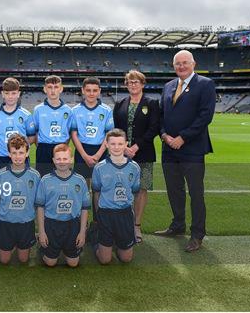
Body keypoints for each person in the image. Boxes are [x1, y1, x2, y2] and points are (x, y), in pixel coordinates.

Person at [155, 50, 216, 253]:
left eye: (185, 63)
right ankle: (177, 225)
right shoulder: (168, 86)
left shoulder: (205, 84)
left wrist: (183, 137)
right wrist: (164, 135)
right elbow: (161, 116)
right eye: (177, 63)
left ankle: (197, 234)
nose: (181, 66)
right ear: (173, 66)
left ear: (193, 64)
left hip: (192, 148)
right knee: (174, 190)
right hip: (169, 148)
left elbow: (205, 116)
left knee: (196, 193)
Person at [113, 70, 160, 243]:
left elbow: (154, 127)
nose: (133, 84)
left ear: (142, 83)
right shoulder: (120, 104)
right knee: (122, 188)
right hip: (122, 154)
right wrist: (124, 147)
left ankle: (136, 226)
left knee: (142, 188)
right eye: (130, 82)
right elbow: (116, 129)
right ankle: (122, 225)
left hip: (145, 153)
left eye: (136, 82)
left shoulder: (152, 103)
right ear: (126, 85)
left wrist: (136, 146)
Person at [35, 143, 90, 267]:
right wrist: (41, 232)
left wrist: (82, 232)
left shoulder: (80, 180)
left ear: (71, 159)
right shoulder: (45, 180)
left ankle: (67, 249)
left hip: (72, 224)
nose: (62, 162)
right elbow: (40, 207)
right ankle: (45, 249)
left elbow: (85, 208)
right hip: (52, 224)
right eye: (58, 159)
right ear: (53, 160)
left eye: (65, 158)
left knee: (73, 263)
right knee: (50, 262)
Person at [92, 129, 140, 264]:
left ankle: (117, 242)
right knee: (105, 260)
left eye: (120, 144)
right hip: (106, 213)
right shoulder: (99, 168)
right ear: (106, 145)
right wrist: (99, 214)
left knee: (126, 259)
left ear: (126, 144)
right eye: (113, 144)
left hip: (124, 214)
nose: (116, 147)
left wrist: (134, 218)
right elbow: (96, 193)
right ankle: (95, 238)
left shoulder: (134, 168)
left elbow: (135, 193)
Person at [70, 77, 113, 226]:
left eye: (95, 90)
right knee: (82, 188)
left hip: (100, 151)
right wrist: (84, 155)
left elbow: (108, 135)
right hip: (82, 150)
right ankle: (82, 223)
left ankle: (97, 223)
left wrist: (98, 155)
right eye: (88, 90)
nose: (91, 93)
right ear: (83, 91)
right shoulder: (75, 110)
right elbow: (74, 134)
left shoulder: (106, 110)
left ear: (99, 91)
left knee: (98, 189)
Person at [0, 134, 41, 264]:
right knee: (4, 260)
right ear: (9, 154)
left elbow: (39, 203)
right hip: (5, 222)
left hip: (26, 222)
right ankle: (9, 244)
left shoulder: (35, 176)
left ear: (27, 153)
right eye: (14, 153)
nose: (18, 156)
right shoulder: (1, 175)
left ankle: (16, 244)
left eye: (21, 152)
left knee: (23, 259)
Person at [0, 77, 36, 174]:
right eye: (7, 93)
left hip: (21, 158)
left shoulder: (26, 115)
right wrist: (6, 148)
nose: (10, 96)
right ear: (2, 94)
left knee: (22, 185)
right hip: (1, 157)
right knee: (0, 186)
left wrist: (19, 149)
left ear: (18, 94)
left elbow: (31, 138)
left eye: (13, 93)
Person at [33, 75, 73, 177]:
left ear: (61, 89)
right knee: (43, 179)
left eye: (56, 87)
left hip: (61, 149)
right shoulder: (38, 109)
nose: (53, 91)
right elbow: (35, 131)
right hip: (43, 149)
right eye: (50, 87)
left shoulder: (68, 110)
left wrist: (63, 146)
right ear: (45, 89)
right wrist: (42, 146)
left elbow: (69, 132)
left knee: (62, 178)